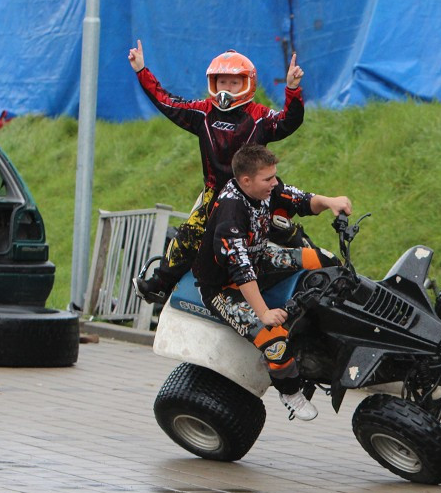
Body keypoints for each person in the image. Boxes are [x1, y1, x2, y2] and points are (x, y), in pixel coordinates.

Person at [127, 40, 307, 303]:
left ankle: (318, 263)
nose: (227, 89)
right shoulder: (201, 112)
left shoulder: (260, 116)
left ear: (247, 84)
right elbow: (166, 102)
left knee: (286, 229)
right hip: (215, 196)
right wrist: (142, 70)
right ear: (213, 84)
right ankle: (159, 285)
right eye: (222, 82)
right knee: (187, 236)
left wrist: (292, 89)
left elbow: (289, 121)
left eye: (234, 83)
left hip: (256, 193)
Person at [194, 144, 351, 421]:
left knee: (324, 260)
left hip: (260, 255)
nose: (274, 183)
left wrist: (329, 202)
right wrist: (264, 313)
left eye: (274, 176)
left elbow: (300, 200)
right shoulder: (231, 211)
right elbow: (240, 269)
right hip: (224, 285)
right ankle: (289, 392)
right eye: (268, 179)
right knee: (274, 340)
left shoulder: (264, 188)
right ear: (246, 180)